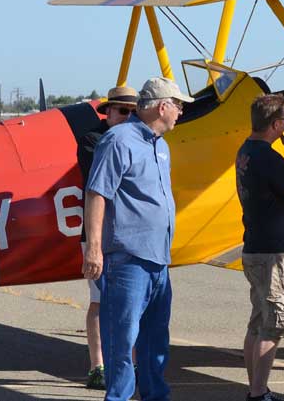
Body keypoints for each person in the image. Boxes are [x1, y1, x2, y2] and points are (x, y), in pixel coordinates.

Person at [82, 76, 193, 401]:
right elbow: (97, 193)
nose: (181, 113)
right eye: (179, 106)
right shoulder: (118, 140)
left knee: (155, 341)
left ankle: (155, 395)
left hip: (158, 261)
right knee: (122, 341)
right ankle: (117, 397)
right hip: (127, 261)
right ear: (163, 106)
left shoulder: (161, 145)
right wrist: (95, 250)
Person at [235, 94, 284, 401]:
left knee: (258, 323)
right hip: (274, 254)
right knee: (274, 326)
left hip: (255, 246)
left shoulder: (247, 151)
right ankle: (259, 393)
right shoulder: (267, 157)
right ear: (276, 124)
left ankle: (256, 388)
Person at [77, 85, 139, 390]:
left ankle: (130, 364)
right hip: (100, 233)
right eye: (122, 111)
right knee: (100, 301)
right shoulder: (93, 140)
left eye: (134, 112)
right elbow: (106, 186)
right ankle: (97, 366)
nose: (129, 117)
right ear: (109, 112)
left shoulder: (141, 140)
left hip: (132, 234)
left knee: (134, 302)